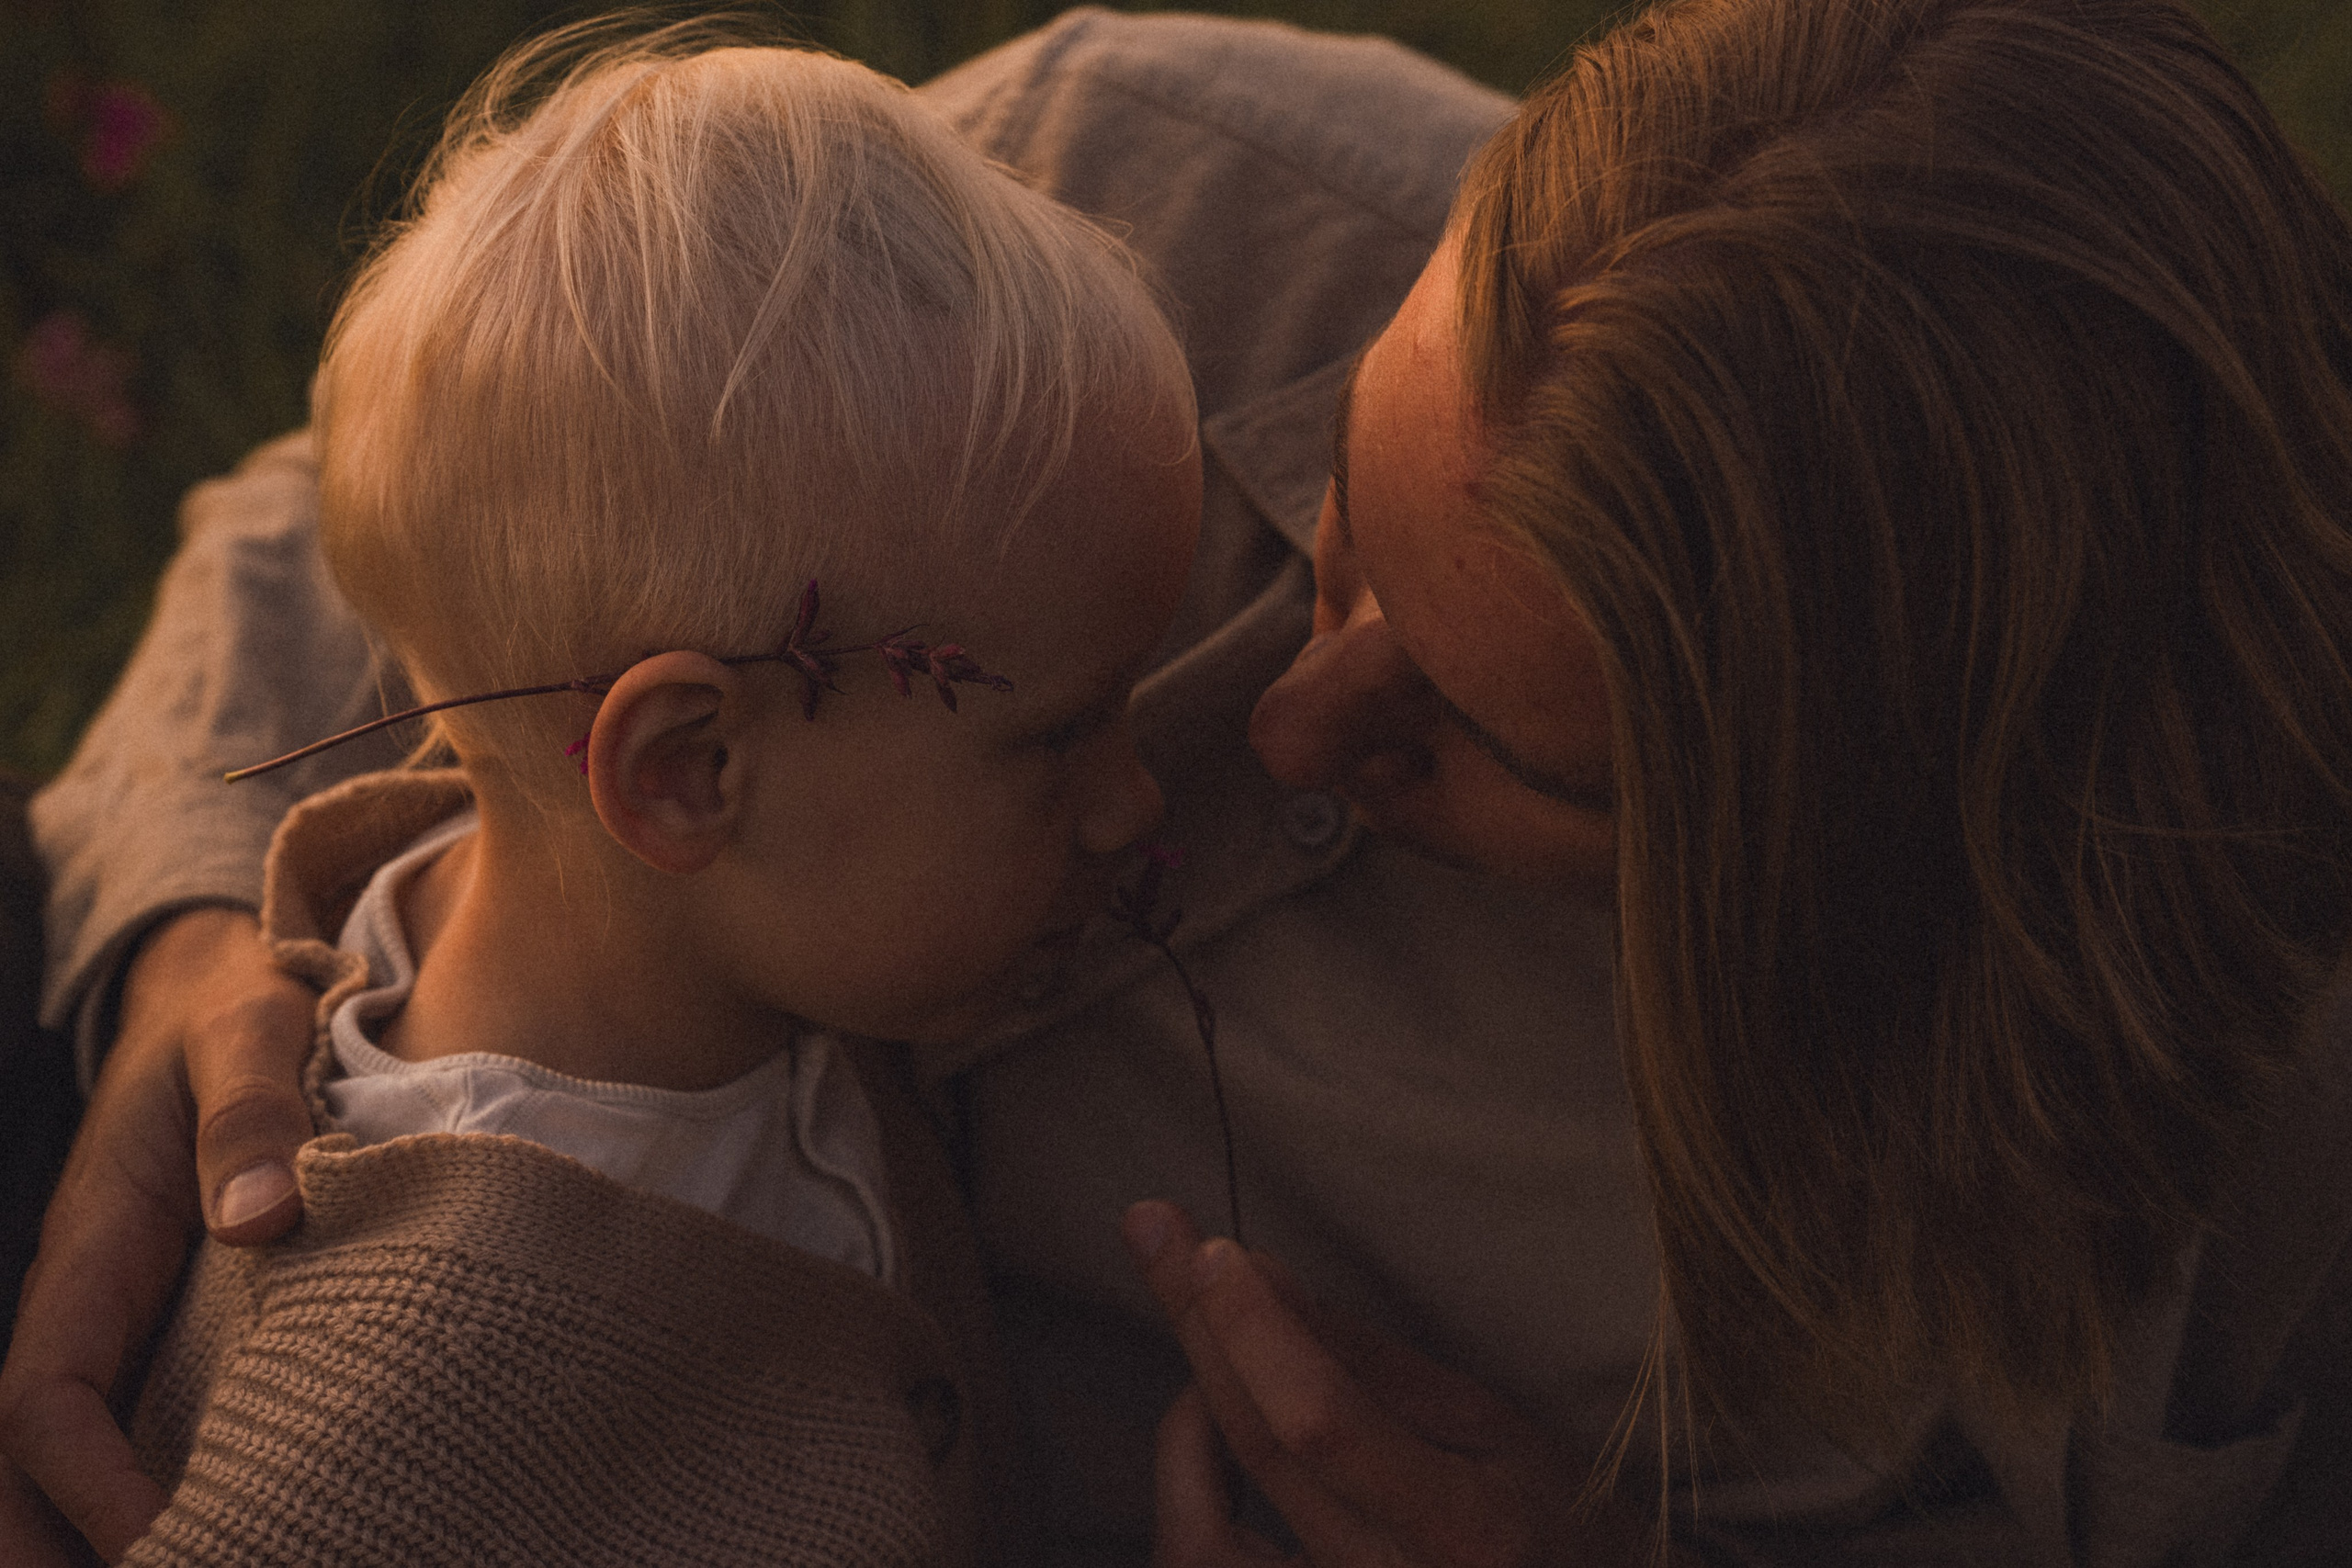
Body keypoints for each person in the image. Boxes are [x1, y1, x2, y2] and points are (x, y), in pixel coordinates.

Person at [8, 0, 2351, 1563]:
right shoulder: (1167, 191)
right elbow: (371, 503)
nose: (1274, 735)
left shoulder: (2192, 1196)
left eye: (1479, 739)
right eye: (1333, 513)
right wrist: (186, 944)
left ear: (1882, 866)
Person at [42, 18, 1202, 1567]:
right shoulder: (400, 1411)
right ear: (685, 775)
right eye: (1060, 736)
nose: (1138, 801)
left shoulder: (738, 974)